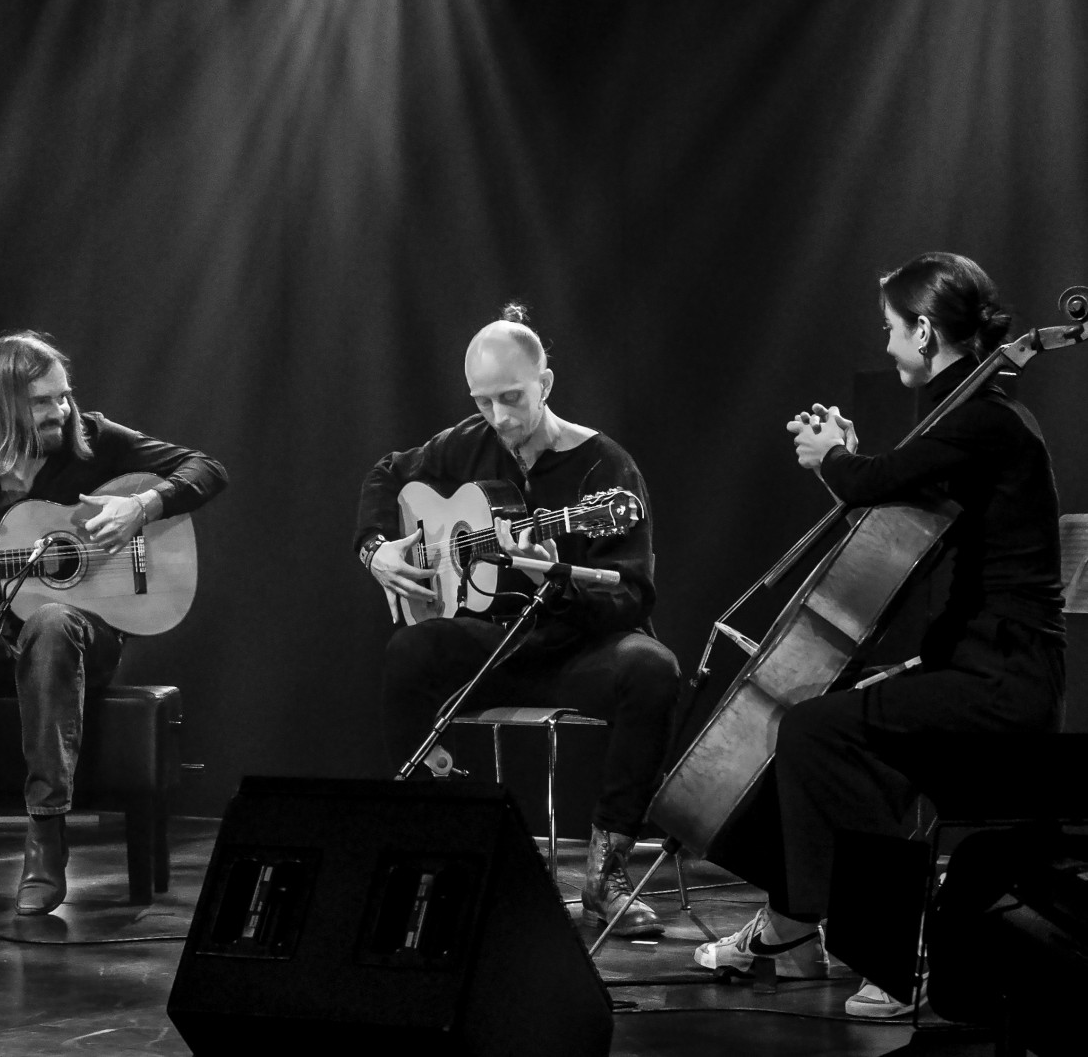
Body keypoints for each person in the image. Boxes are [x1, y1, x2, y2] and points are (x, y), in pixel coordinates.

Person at [694, 253, 1067, 1019]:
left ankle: (879, 948)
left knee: (820, 731)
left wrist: (832, 457)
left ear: (925, 329)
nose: (888, 342)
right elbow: (898, 484)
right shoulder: (976, 413)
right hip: (975, 664)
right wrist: (855, 456)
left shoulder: (985, 418)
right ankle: (799, 925)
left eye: (892, 328)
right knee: (818, 716)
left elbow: (872, 482)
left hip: (1004, 682)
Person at [0, 331, 227, 915]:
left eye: (64, 396)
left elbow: (206, 469)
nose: (62, 410)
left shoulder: (98, 444)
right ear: (2, 405)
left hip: (82, 636)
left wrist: (143, 505)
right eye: (44, 402)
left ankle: (46, 836)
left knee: (52, 617)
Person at [356, 304, 680, 937]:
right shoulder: (467, 443)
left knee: (652, 669)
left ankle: (606, 876)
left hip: (577, 650)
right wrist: (377, 551)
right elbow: (387, 473)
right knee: (410, 650)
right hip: (494, 647)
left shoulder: (606, 470)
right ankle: (447, 846)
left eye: (511, 398)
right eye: (482, 402)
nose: (498, 418)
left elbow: (633, 596)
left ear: (546, 384)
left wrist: (553, 581)